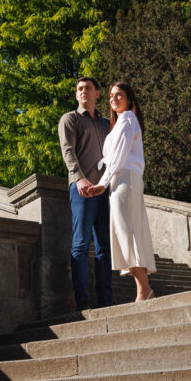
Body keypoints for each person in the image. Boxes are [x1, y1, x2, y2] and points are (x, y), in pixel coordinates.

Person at [93, 82, 156, 301]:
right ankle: (142, 289)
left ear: (129, 98)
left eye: (119, 95)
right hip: (120, 180)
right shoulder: (120, 122)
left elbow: (119, 156)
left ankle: (144, 290)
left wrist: (102, 182)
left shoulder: (128, 118)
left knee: (129, 232)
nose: (114, 98)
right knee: (127, 232)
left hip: (125, 178)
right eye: (111, 95)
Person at [58, 76, 113, 310]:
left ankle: (106, 301)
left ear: (97, 93)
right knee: (80, 244)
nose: (83, 92)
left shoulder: (106, 124)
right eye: (79, 89)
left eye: (88, 88)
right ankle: (81, 301)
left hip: (105, 190)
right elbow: (67, 150)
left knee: (104, 248)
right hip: (82, 189)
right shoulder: (69, 119)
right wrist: (79, 178)